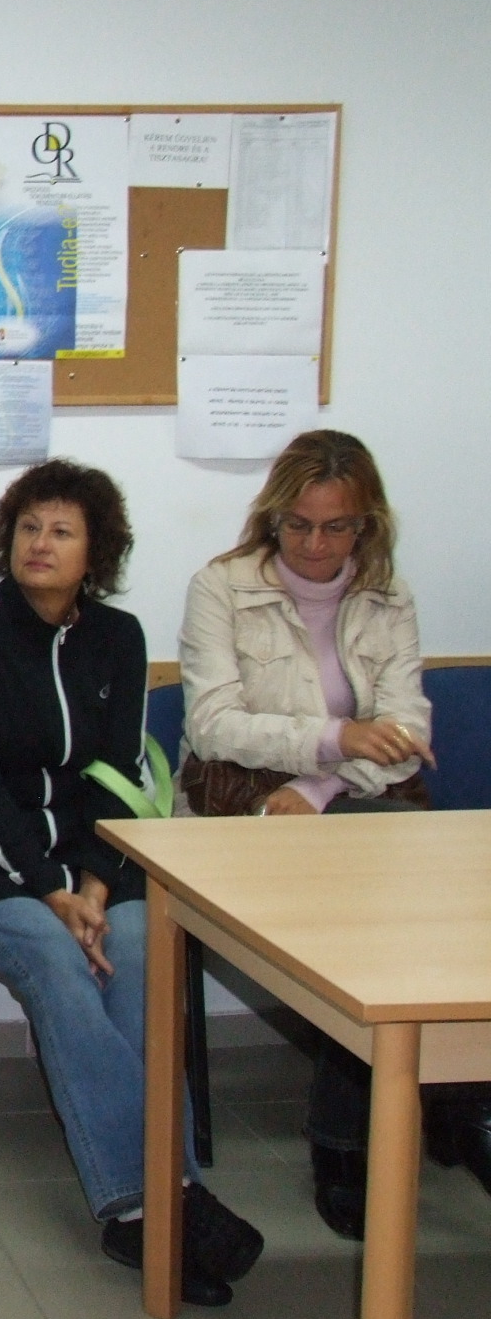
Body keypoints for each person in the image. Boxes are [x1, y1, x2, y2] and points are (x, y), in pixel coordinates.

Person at [0, 459, 263, 1306]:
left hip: (89, 852)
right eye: (29, 527)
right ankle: (150, 1201)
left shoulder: (119, 637)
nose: (41, 543)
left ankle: (163, 1198)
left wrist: (96, 885)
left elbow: (121, 772)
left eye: (62, 531)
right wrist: (49, 890)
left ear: (95, 551)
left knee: (140, 947)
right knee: (53, 956)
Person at [177, 429, 480, 1239]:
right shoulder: (222, 588)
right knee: (372, 921)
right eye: (298, 525)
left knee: (410, 909)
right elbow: (213, 726)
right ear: (272, 517)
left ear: (366, 525)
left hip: (340, 804)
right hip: (240, 810)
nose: (315, 545)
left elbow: (406, 732)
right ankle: (368, 1137)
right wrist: (339, 738)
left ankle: (450, 1099)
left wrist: (317, 782)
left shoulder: (388, 596)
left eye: (336, 527)